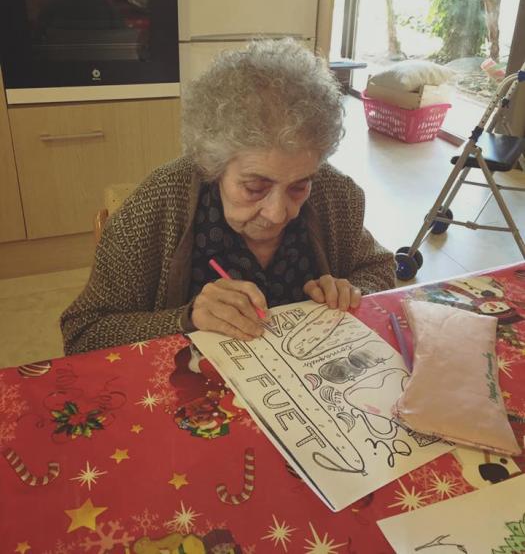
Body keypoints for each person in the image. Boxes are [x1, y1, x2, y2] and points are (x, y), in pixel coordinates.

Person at [61, 38, 395, 354]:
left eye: (298, 187)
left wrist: (353, 292)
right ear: (213, 164)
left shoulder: (335, 194)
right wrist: (185, 319)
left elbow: (378, 269)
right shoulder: (157, 204)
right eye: (254, 188)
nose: (278, 213)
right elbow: (83, 333)